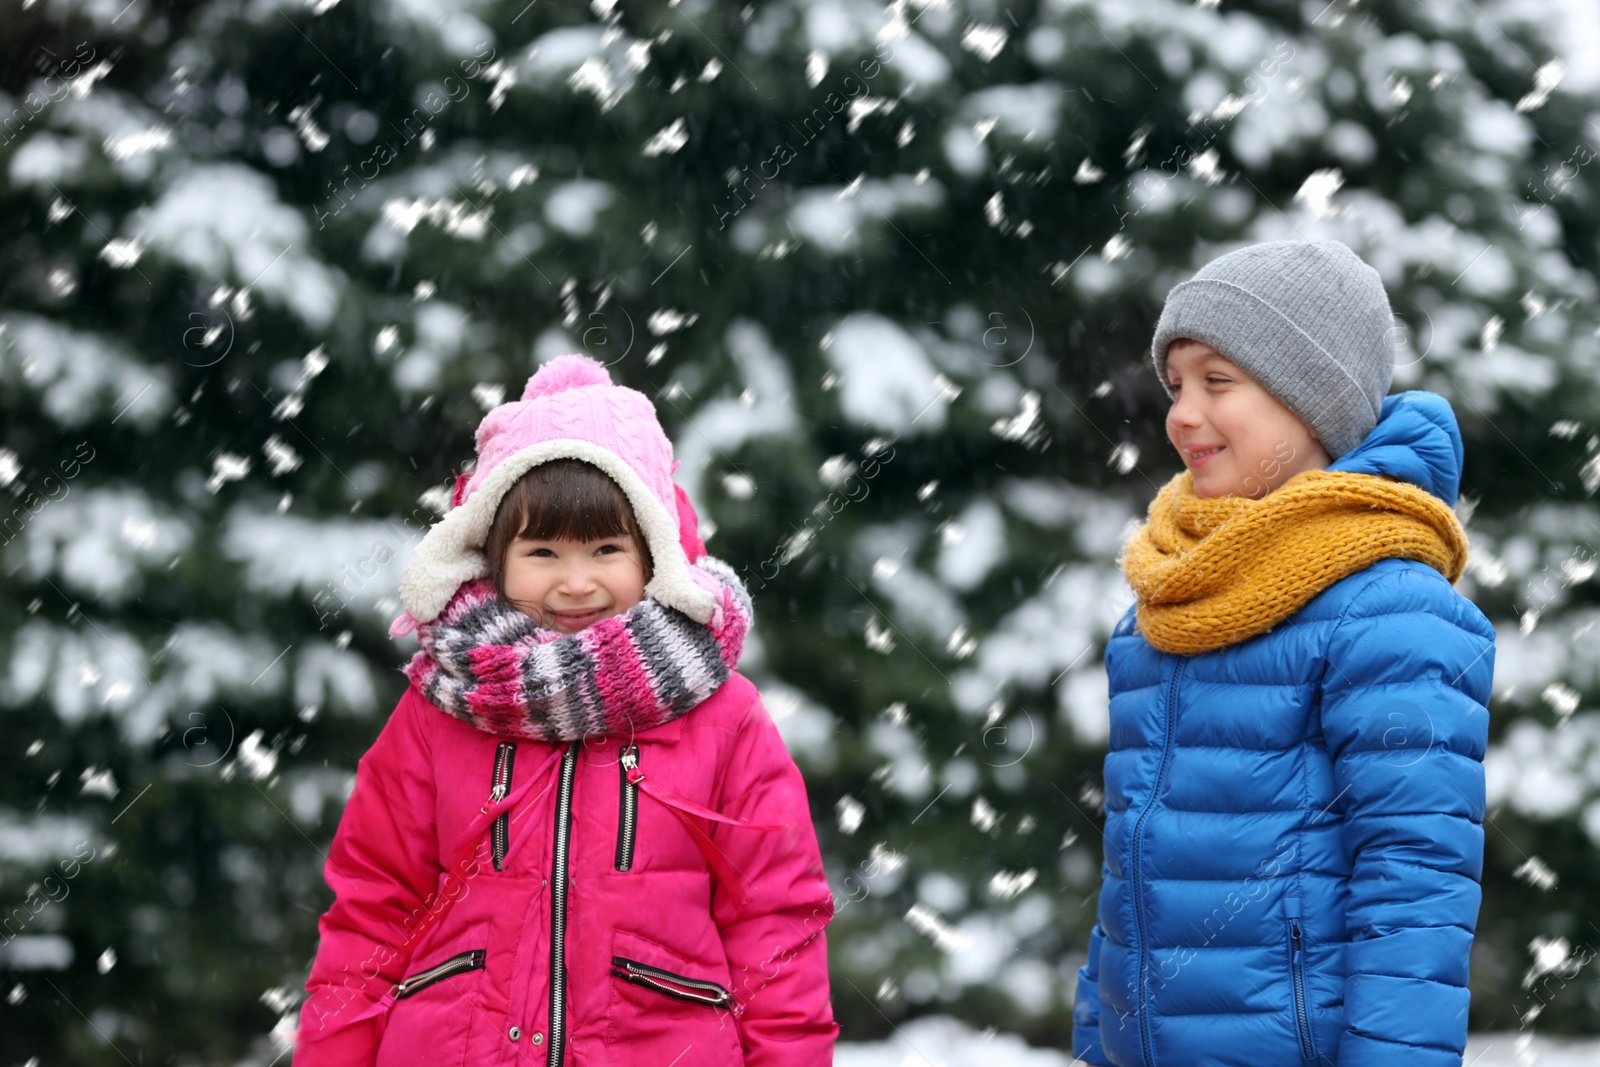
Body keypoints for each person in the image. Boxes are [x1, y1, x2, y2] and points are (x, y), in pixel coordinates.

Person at [293, 354, 838, 1065]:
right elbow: (370, 917)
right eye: (542, 550)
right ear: (494, 555)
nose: (575, 583)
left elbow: (777, 926)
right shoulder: (439, 711)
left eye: (607, 548)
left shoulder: (722, 717)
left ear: (654, 556)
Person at [1071, 240, 1496, 1067]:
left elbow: (1415, 887)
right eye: (1176, 384)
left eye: (1217, 380)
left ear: (1315, 403)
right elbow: (1132, 869)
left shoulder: (1389, 608)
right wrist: (1098, 1034)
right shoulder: (1169, 598)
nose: (1182, 414)